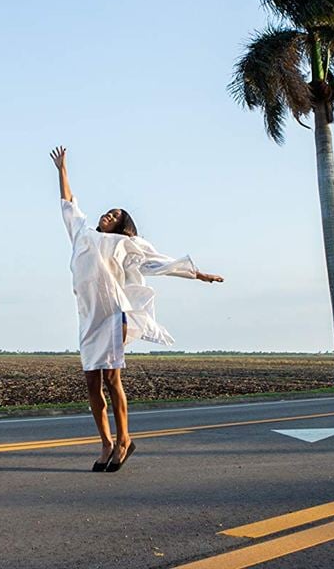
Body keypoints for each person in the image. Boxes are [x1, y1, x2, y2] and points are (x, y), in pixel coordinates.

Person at [49, 145, 223, 472]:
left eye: (114, 216)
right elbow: (69, 203)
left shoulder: (124, 243)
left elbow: (160, 262)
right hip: (88, 318)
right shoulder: (82, 234)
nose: (107, 216)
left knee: (112, 380)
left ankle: (125, 440)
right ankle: (105, 442)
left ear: (120, 225)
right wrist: (62, 170)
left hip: (114, 314)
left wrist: (198, 274)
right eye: (108, 212)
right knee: (91, 385)